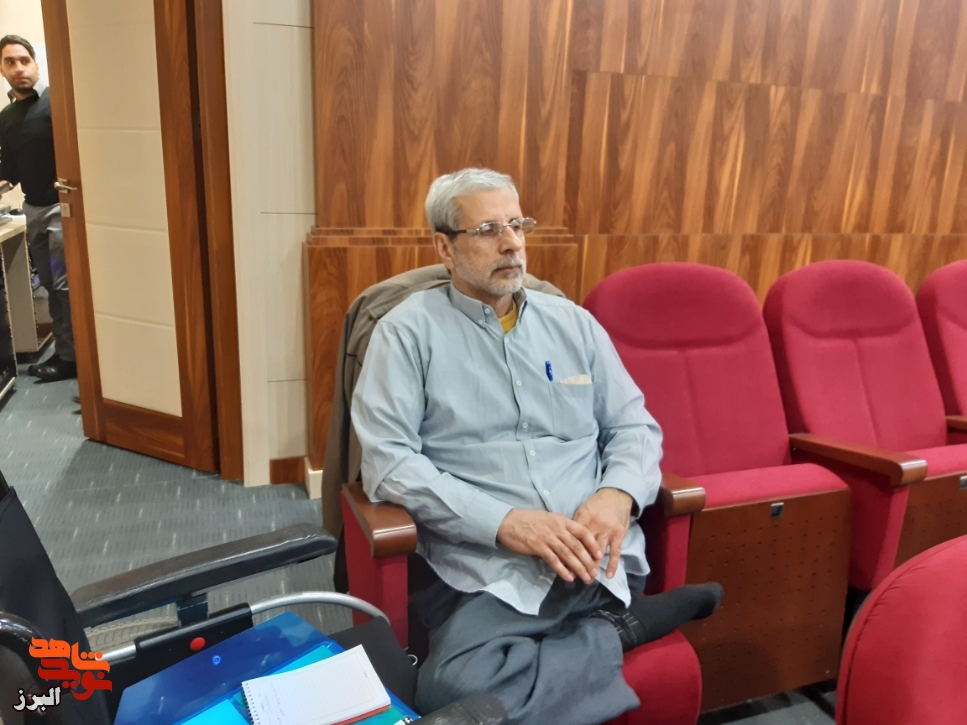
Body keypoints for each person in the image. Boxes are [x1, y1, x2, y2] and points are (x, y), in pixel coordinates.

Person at [351, 167, 723, 725]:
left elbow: (633, 427)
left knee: (472, 693)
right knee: (452, 689)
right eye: (487, 230)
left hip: (599, 559)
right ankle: (624, 631)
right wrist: (505, 522)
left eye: (518, 225)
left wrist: (617, 495)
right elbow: (389, 463)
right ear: (445, 248)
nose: (511, 243)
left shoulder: (574, 324)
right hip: (494, 573)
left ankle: (595, 630)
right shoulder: (405, 334)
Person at [0, 35, 76, 383]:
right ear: (2, 70)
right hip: (32, 211)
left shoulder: (57, 103)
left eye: (24, 60)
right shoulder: (7, 117)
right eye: (10, 62)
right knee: (48, 283)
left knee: (63, 286)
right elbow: (10, 171)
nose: (19, 68)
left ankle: (71, 357)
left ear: (36, 65)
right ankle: (68, 352)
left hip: (63, 209)